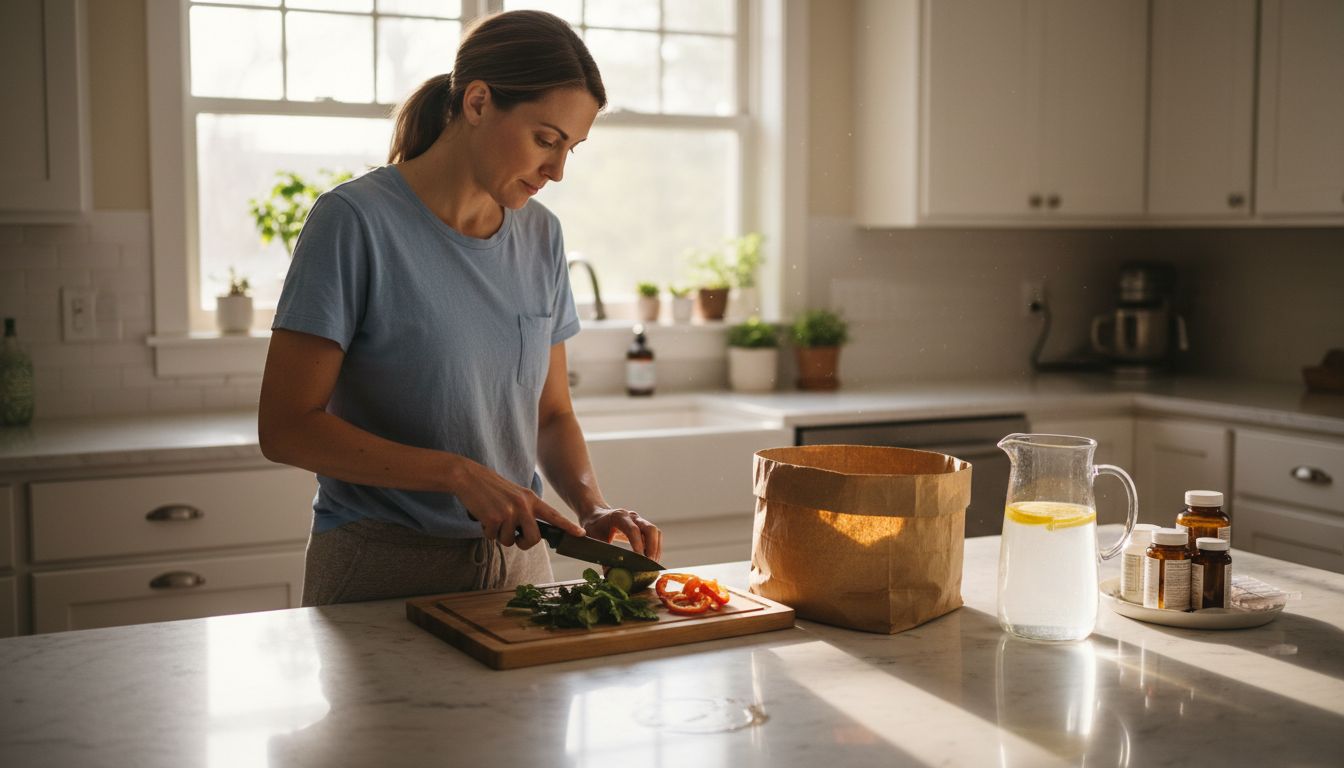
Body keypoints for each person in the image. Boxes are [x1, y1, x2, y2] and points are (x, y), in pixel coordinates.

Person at [258, 10, 662, 606]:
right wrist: (455, 473)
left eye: (571, 148)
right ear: (477, 103)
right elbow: (286, 427)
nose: (557, 171)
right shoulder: (354, 222)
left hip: (521, 571)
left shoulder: (542, 237)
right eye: (545, 140)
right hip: (381, 569)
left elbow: (550, 416)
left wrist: (591, 505)